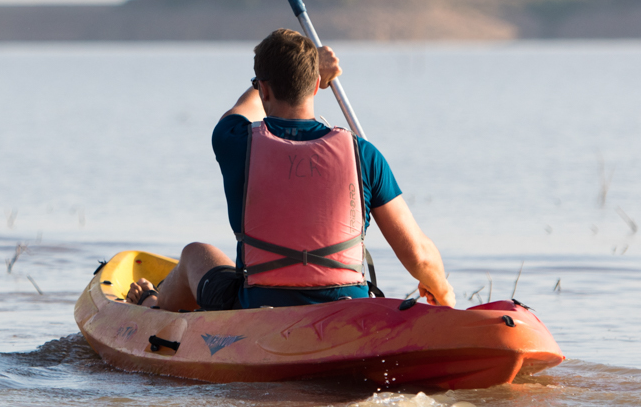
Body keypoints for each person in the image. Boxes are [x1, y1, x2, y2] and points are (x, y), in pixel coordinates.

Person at [125, 28, 455, 311]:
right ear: (315, 87)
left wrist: (288, 74)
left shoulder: (234, 141)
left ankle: (151, 309)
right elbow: (420, 257)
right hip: (346, 310)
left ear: (264, 88)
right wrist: (444, 295)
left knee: (195, 255)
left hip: (259, 309)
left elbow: (244, 108)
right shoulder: (363, 155)